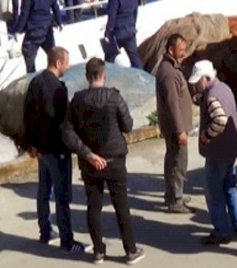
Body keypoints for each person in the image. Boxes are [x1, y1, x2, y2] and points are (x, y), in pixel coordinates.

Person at [62, 58, 145, 265]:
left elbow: (68, 133)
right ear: (104, 74)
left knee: (94, 206)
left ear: (87, 76)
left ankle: (98, 251)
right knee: (121, 206)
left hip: (91, 161)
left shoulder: (78, 100)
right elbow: (127, 125)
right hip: (115, 158)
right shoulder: (114, 97)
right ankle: (130, 250)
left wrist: (88, 154)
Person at [23, 47, 90, 253]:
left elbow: (28, 115)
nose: (68, 67)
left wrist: (31, 145)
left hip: (42, 149)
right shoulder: (58, 89)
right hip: (56, 148)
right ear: (59, 63)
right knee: (62, 195)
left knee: (44, 189)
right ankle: (67, 240)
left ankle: (45, 231)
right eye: (67, 63)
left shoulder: (35, 82)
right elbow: (61, 122)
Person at [188, 60, 237, 245]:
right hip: (231, 150)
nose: (196, 85)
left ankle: (221, 231)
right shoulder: (224, 88)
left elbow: (219, 120)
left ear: (206, 78)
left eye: (198, 81)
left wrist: (206, 135)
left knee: (214, 194)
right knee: (231, 188)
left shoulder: (212, 95)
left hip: (217, 153)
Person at [155, 34, 194, 213]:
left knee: (174, 160)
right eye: (181, 50)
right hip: (175, 129)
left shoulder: (170, 68)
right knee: (178, 163)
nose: (184, 54)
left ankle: (173, 193)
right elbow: (173, 105)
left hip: (176, 127)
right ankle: (175, 200)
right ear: (171, 50)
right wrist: (180, 131)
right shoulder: (169, 73)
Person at [15, 0, 63, 73]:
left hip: (34, 30)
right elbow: (56, 8)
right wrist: (59, 23)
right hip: (48, 29)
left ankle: (32, 78)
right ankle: (56, 76)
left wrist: (18, 30)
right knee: (52, 56)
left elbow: (24, 13)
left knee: (28, 55)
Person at [104, 0, 142, 69]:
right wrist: (133, 25)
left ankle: (105, 80)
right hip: (130, 31)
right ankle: (143, 78)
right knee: (135, 59)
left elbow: (112, 16)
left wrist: (107, 33)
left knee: (109, 60)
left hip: (117, 33)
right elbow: (135, 11)